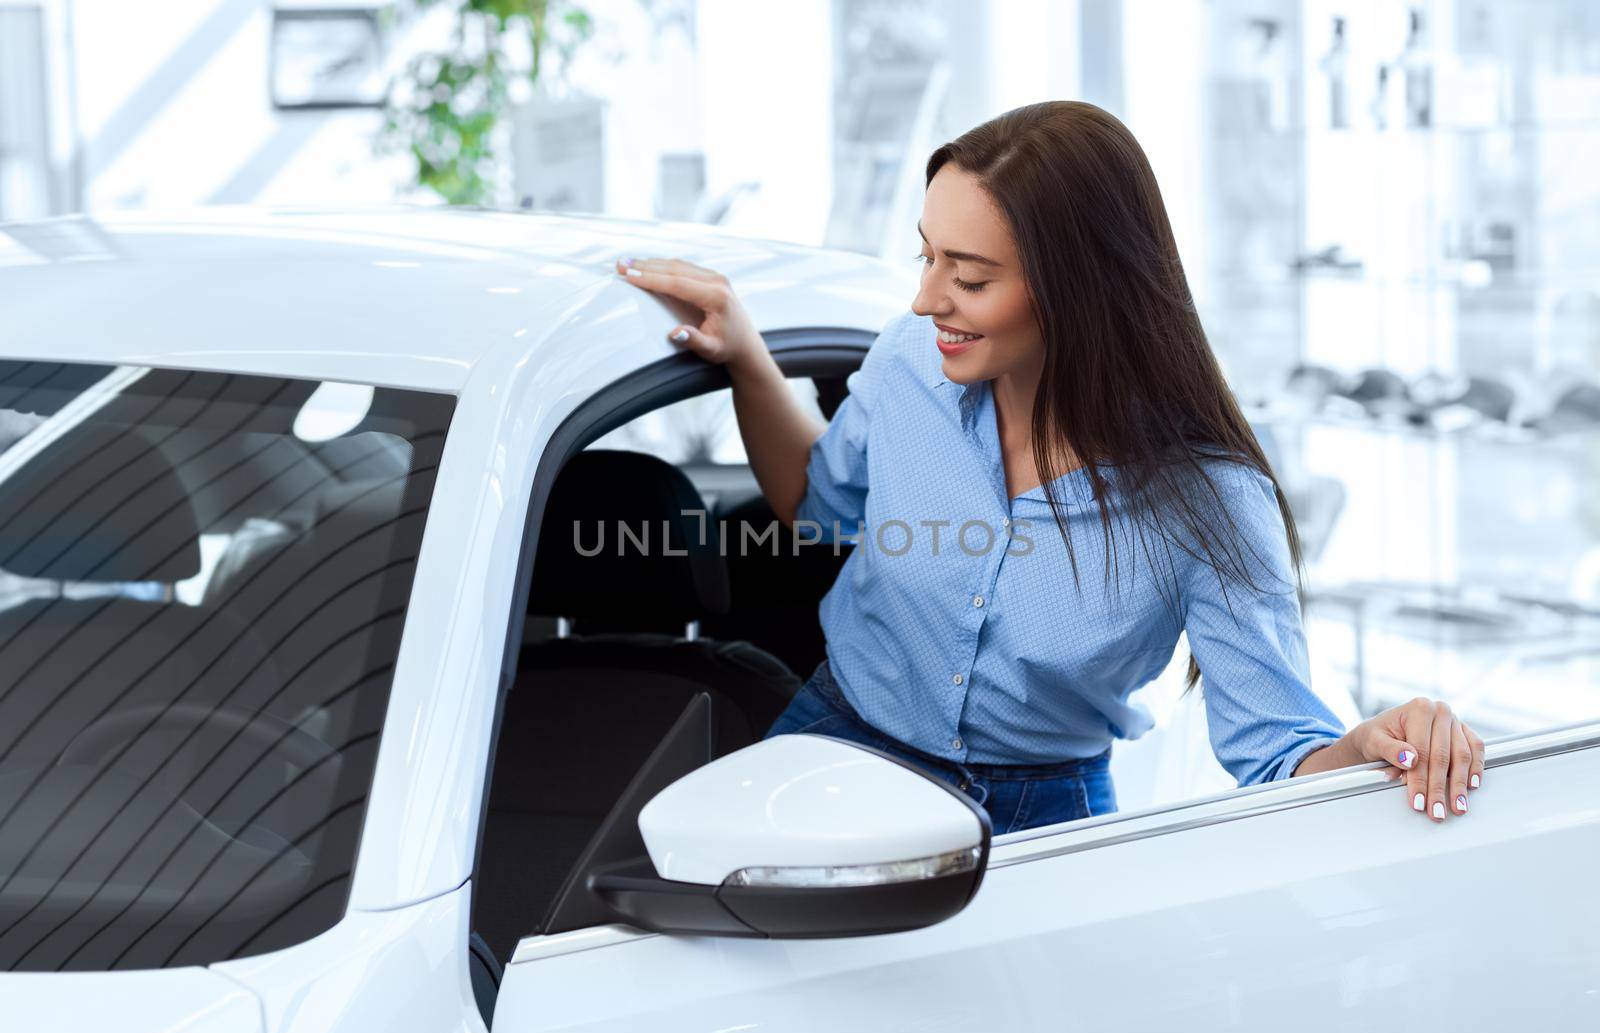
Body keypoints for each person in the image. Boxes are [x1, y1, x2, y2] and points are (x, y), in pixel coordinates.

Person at [611, 99, 1483, 835]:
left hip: (1039, 815)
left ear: (1078, 289)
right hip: (835, 743)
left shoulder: (1212, 501)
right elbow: (815, 502)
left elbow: (1279, 751)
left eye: (971, 276)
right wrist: (748, 355)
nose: (925, 299)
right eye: (928, 255)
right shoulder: (911, 361)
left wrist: (1373, 746)